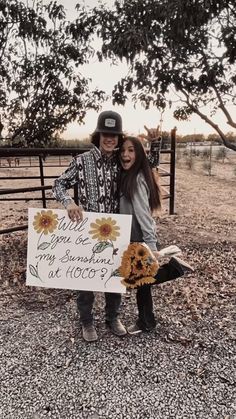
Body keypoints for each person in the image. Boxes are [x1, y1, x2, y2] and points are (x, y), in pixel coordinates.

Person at [53, 111, 162, 342]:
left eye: (114, 135)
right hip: (86, 230)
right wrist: (69, 202)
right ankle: (87, 322)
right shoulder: (81, 162)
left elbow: (144, 163)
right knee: (83, 279)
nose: (110, 139)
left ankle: (112, 318)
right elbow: (58, 184)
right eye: (106, 134)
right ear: (98, 135)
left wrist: (156, 144)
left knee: (114, 277)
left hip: (114, 231)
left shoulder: (118, 162)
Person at [119, 136, 194, 335]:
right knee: (142, 284)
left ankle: (174, 269)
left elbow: (144, 215)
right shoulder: (135, 175)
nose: (125, 154)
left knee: (135, 281)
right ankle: (147, 322)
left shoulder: (136, 179)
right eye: (123, 150)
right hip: (134, 238)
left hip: (139, 240)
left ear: (139, 155)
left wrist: (151, 245)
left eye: (131, 150)